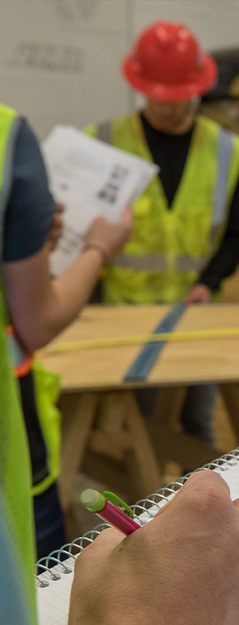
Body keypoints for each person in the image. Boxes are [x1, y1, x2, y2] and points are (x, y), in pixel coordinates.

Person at [85, 20, 239, 445]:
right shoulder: (105, 143)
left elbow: (236, 236)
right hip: (127, 318)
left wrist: (208, 283)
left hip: (194, 317)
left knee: (197, 427)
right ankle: (150, 510)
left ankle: (204, 508)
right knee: (139, 432)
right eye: (157, 96)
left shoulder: (226, 150)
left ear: (196, 88)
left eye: (177, 96)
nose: (167, 107)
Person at [0, 104, 134, 560]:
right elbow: (38, 320)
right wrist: (99, 248)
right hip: (7, 446)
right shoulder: (6, 138)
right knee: (36, 600)